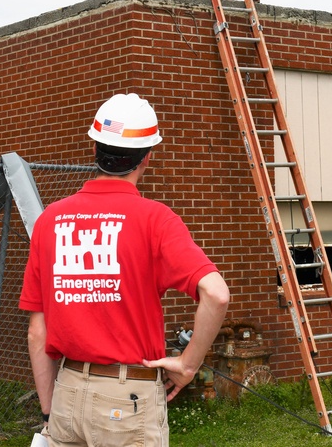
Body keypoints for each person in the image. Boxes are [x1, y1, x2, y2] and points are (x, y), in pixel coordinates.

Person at [19, 93, 230, 446]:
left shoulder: (50, 220)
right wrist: (188, 365)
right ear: (147, 156)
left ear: (96, 149)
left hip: (66, 394)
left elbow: (37, 333)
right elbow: (216, 294)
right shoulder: (156, 220)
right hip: (127, 401)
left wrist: (48, 414)